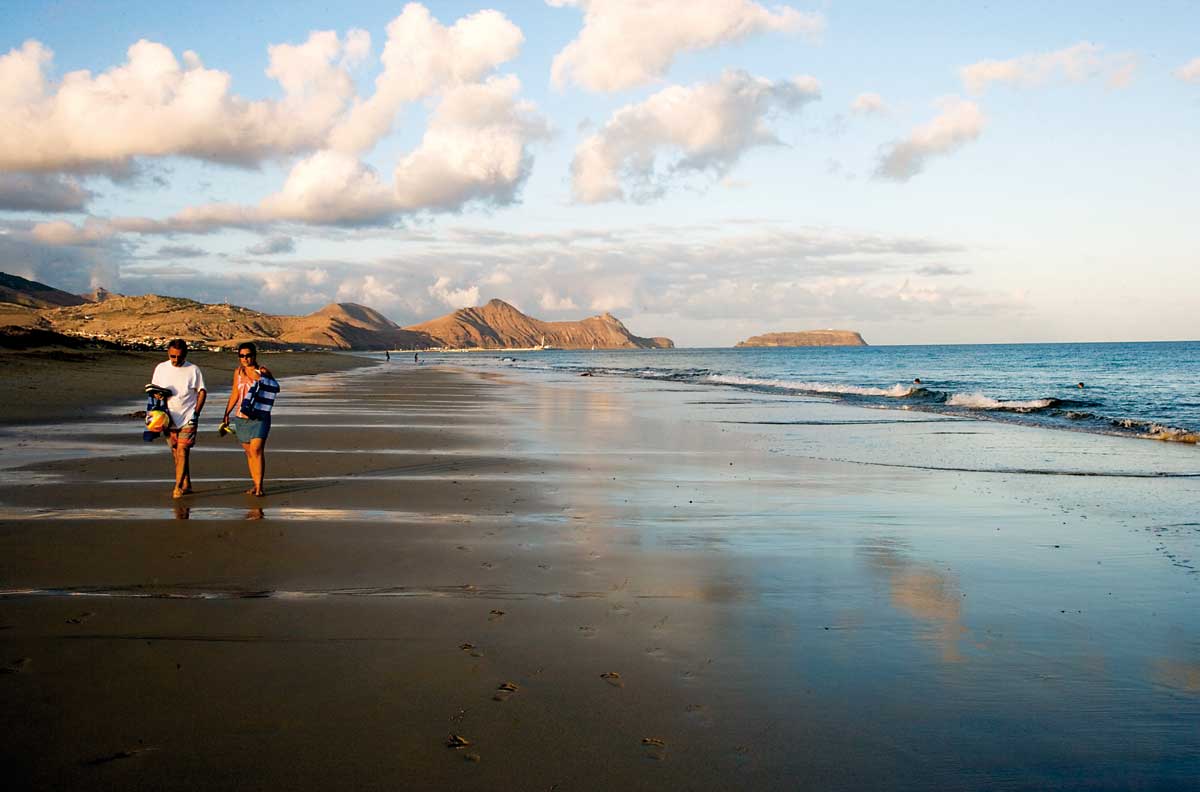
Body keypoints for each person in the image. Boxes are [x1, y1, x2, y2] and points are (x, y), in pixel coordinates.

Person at [151, 339, 206, 499]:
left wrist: (196, 413)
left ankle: (177, 487)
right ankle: (186, 483)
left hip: (188, 416)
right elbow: (154, 390)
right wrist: (158, 397)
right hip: (167, 418)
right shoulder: (161, 368)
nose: (176, 360)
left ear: (185, 354)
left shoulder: (193, 370)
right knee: (176, 453)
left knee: (182, 451)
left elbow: (202, 391)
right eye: (172, 356)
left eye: (179, 357)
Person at [221, 343, 274, 497]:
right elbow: (235, 394)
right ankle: (255, 483)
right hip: (241, 417)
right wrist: (226, 413)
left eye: (248, 355)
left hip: (259, 416)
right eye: (242, 356)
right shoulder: (237, 372)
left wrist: (257, 377)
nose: (245, 358)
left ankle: (259, 487)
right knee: (249, 453)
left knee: (256, 450)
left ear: (254, 356)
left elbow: (273, 387)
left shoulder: (262, 371)